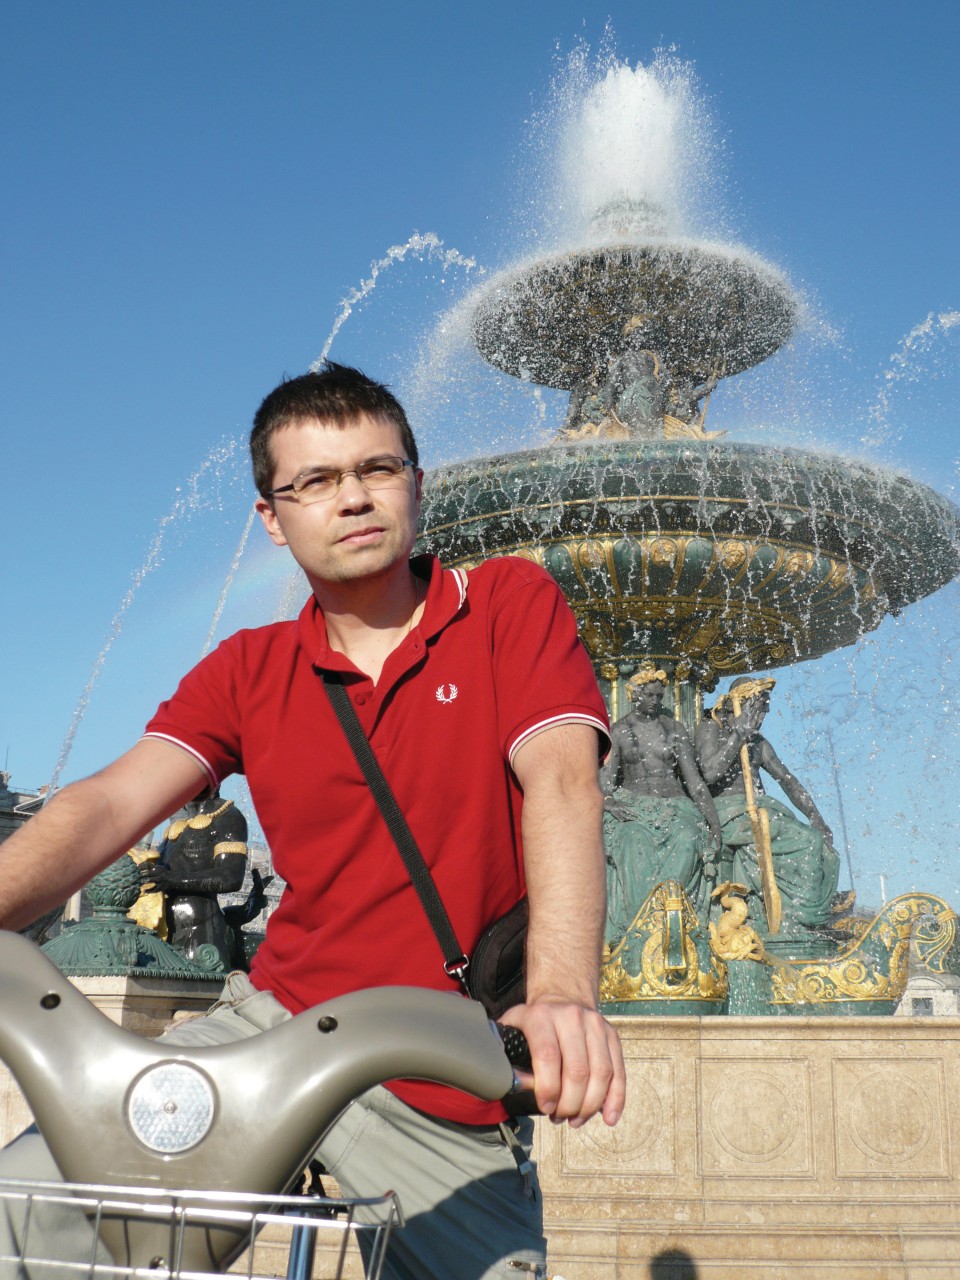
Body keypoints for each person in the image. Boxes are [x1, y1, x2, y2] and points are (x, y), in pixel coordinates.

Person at [0, 362, 625, 1280]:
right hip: (277, 1025)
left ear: (418, 482)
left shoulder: (505, 605)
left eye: (377, 469)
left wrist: (565, 991)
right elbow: (106, 803)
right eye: (317, 482)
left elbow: (564, 784)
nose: (353, 499)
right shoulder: (249, 668)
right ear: (272, 516)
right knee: (29, 1216)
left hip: (437, 1059)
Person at [694, 676, 840, 934]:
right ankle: (792, 917)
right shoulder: (711, 728)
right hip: (725, 811)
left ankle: (800, 916)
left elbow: (787, 780)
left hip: (756, 809)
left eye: (765, 710)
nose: (761, 717)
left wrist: (816, 817)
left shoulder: (757, 742)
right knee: (803, 840)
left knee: (813, 838)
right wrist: (737, 735)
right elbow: (710, 773)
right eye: (757, 710)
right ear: (739, 706)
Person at [600, 664, 722, 937]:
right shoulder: (619, 732)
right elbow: (606, 780)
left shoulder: (674, 729)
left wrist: (714, 825)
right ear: (635, 695)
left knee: (688, 837)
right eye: (650, 696)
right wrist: (609, 801)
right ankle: (641, 924)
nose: (656, 701)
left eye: (659, 696)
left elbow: (695, 782)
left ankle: (674, 917)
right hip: (635, 805)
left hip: (675, 805)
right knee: (632, 840)